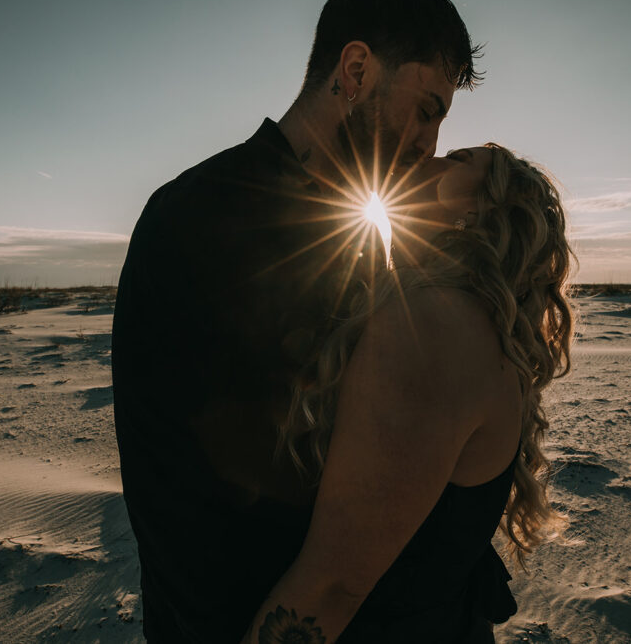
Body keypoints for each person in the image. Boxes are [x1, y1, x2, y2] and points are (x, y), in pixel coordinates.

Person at [111, 0, 481, 642]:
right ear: (358, 69)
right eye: (427, 109)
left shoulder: (359, 235)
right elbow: (186, 512)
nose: (431, 143)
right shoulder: (198, 218)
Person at [239, 144, 574, 643]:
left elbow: (333, 585)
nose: (431, 155)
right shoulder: (465, 323)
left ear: (481, 209)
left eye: (458, 160)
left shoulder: (437, 327)